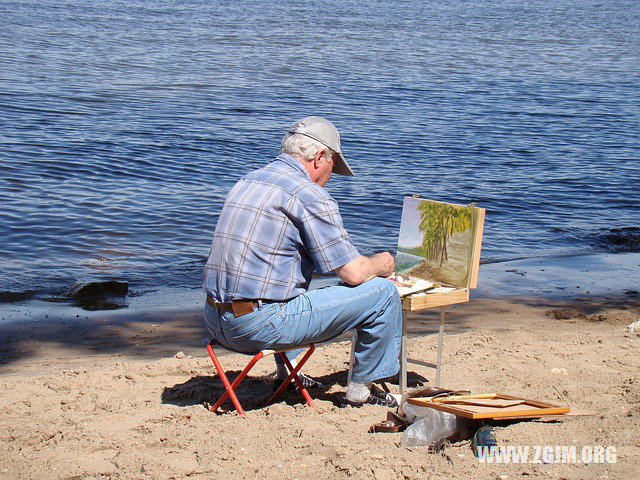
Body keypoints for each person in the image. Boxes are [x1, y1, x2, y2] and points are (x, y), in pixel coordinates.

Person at [202, 116, 402, 406]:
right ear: (320, 157)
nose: (331, 177)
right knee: (383, 295)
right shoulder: (307, 193)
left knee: (287, 281)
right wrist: (382, 264)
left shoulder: (249, 179)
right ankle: (361, 393)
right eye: (333, 166)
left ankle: (287, 374)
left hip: (213, 320)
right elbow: (354, 273)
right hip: (254, 330)